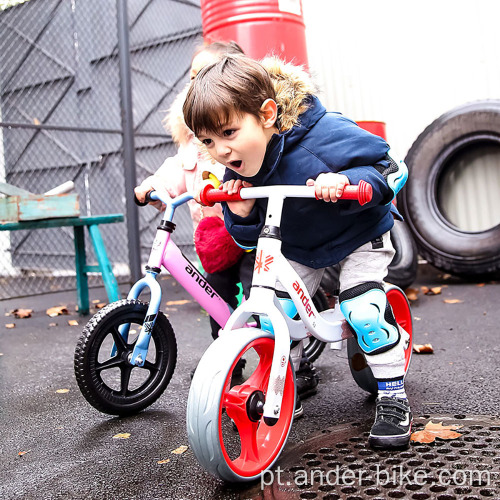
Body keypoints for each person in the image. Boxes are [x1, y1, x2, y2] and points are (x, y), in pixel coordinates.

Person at [183, 54, 411, 450]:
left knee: (364, 310)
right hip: (303, 244)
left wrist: (348, 180)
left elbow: (392, 167)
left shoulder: (324, 134)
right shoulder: (237, 167)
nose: (220, 150)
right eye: (207, 141)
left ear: (268, 114)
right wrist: (238, 212)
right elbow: (246, 238)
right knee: (277, 316)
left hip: (359, 232)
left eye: (229, 132)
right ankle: (281, 388)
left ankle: (392, 395)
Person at [134, 43, 318, 410]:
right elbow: (175, 168)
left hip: (255, 235)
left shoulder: (242, 137)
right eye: (194, 76)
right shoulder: (195, 145)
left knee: (265, 298)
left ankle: (294, 364)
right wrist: (154, 185)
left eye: (212, 71)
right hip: (216, 239)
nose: (201, 81)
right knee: (215, 297)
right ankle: (226, 359)